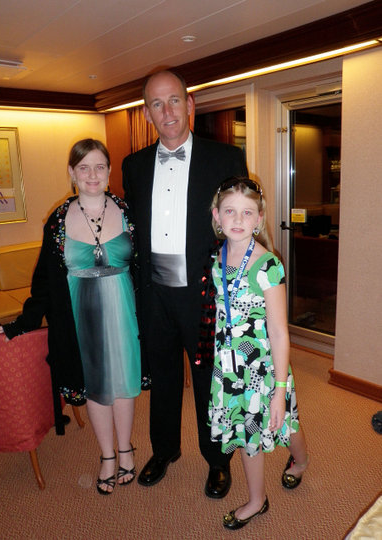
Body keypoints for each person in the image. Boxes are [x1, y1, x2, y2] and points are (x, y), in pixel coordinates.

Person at [122, 69, 247, 498]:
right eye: (157, 104)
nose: (167, 111)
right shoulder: (134, 165)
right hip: (154, 291)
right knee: (162, 375)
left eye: (174, 100)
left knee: (209, 377)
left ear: (189, 104)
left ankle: (217, 460)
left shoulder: (225, 157)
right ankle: (164, 450)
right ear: (147, 113)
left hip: (204, 291)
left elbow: (241, 223)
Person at [0, 139, 141, 496]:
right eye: (84, 167)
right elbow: (44, 281)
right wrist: (20, 324)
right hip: (79, 316)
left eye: (100, 167)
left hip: (124, 310)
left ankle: (125, 449)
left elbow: (146, 266)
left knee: (125, 382)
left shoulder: (128, 211)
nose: (92, 175)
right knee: (95, 387)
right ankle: (108, 456)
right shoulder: (58, 220)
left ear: (109, 171)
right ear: (72, 172)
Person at [198, 176, 309, 530]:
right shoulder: (217, 257)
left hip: (264, 368)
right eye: (230, 211)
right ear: (216, 215)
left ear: (259, 219)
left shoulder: (268, 265)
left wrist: (279, 390)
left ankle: (301, 461)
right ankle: (257, 500)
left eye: (247, 213)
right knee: (247, 434)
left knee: (284, 423)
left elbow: (278, 332)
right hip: (231, 367)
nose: (237, 219)